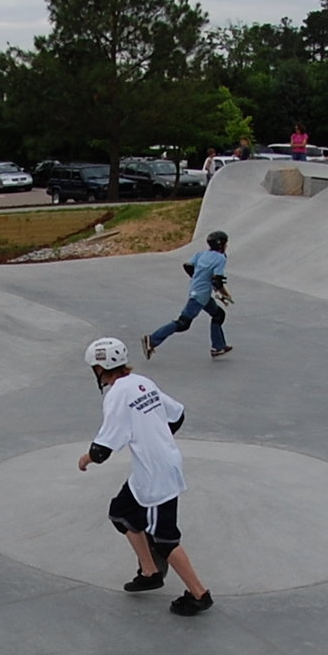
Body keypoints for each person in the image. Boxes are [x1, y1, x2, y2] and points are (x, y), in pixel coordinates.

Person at [76, 336, 213, 616]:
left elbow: (103, 449)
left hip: (155, 475)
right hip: (159, 464)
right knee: (121, 511)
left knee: (165, 538)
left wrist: (86, 459)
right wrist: (156, 437)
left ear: (101, 368)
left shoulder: (116, 394)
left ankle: (199, 595)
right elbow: (177, 415)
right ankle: (150, 571)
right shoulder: (141, 382)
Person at [143, 230, 232, 361]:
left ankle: (218, 347)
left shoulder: (201, 254)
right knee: (183, 323)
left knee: (218, 315)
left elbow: (187, 265)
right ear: (221, 245)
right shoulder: (220, 258)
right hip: (200, 296)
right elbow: (217, 281)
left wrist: (197, 277)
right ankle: (152, 340)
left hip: (199, 292)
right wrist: (225, 294)